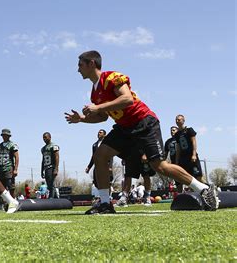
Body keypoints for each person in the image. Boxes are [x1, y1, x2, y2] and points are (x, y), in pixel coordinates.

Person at [64, 50, 218, 214]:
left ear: (91, 63)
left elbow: (127, 99)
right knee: (100, 155)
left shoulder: (111, 77)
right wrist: (81, 119)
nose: (78, 69)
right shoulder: (95, 93)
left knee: (160, 166)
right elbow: (102, 117)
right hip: (124, 127)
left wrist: (98, 107)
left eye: (80, 65)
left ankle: (203, 188)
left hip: (144, 122)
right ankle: (105, 203)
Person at [174, 114, 205, 192]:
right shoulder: (177, 134)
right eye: (176, 120)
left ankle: (208, 189)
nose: (177, 121)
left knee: (198, 177)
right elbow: (178, 148)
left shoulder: (189, 130)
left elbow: (194, 142)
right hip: (183, 159)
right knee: (186, 177)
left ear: (183, 121)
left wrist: (194, 154)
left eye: (179, 119)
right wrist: (177, 161)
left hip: (191, 157)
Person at [85, 129, 113, 200]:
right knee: (96, 182)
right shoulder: (94, 145)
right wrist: (89, 167)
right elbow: (93, 157)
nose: (98, 134)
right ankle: (102, 197)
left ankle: (108, 198)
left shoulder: (108, 143)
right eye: (98, 133)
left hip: (106, 165)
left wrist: (110, 166)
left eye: (100, 132)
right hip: (97, 166)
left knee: (107, 183)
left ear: (104, 135)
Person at [0, 128, 20, 198]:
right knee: (0, 186)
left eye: (6, 135)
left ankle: (13, 201)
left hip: (9, 168)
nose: (4, 136)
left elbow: (17, 157)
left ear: (9, 136)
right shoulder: (0, 145)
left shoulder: (12, 145)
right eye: (3, 135)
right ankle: (1, 203)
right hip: (1, 169)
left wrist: (15, 169)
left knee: (11, 186)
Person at [41, 132, 60, 199]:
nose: (44, 139)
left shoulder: (54, 146)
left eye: (45, 137)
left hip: (52, 167)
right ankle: (54, 196)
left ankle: (52, 196)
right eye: (43, 137)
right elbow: (43, 160)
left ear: (50, 137)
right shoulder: (43, 149)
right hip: (46, 167)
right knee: (48, 183)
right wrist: (42, 170)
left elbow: (57, 157)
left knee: (51, 183)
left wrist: (56, 168)